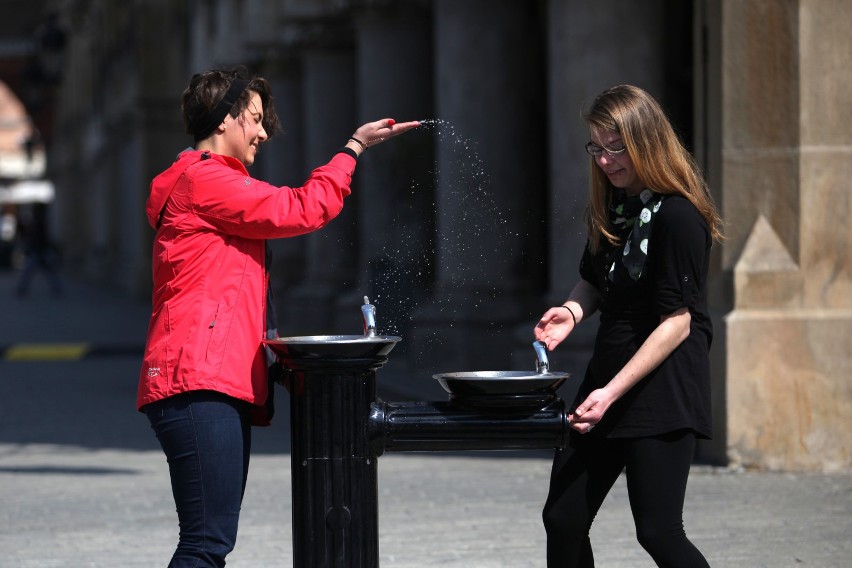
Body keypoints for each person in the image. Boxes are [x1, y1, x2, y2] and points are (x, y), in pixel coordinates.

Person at [137, 67, 418, 567]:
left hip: (203, 380)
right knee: (205, 543)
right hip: (198, 382)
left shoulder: (198, 180)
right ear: (224, 121)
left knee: (209, 539)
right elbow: (303, 208)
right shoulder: (205, 180)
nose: (263, 133)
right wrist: (353, 148)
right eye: (254, 120)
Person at [534, 84, 723, 568]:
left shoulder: (680, 217)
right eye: (596, 147)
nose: (604, 160)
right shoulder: (616, 207)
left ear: (647, 142)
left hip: (662, 388)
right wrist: (571, 313)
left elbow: (677, 322)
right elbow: (594, 281)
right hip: (609, 377)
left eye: (615, 148)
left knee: (659, 532)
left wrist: (610, 392)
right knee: (564, 518)